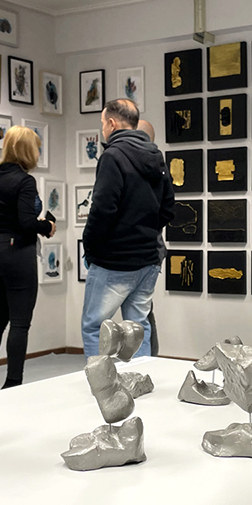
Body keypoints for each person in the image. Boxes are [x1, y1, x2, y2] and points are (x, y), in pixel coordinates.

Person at [81, 99, 174, 358]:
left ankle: (99, 380)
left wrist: (90, 247)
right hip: (148, 259)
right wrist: (145, 232)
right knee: (138, 327)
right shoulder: (156, 157)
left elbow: (102, 210)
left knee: (95, 327)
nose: (102, 129)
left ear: (112, 123)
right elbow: (168, 208)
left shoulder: (112, 156)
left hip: (114, 260)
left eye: (103, 123)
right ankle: (141, 378)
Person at [0, 126, 55, 395]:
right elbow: (26, 222)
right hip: (15, 251)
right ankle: (13, 384)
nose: (39, 152)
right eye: (37, 147)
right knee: (20, 322)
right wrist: (47, 226)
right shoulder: (25, 181)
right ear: (27, 150)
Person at [136, 119, 164, 357]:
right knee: (143, 311)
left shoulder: (144, 170)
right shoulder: (157, 167)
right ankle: (148, 359)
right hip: (150, 249)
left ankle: (147, 360)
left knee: (141, 312)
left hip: (139, 250)